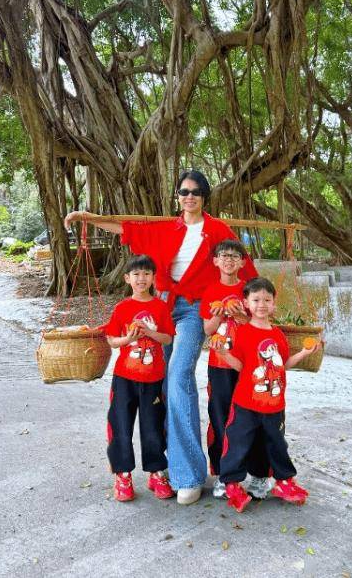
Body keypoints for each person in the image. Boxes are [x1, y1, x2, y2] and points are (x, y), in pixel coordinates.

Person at [65, 169, 257, 505]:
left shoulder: (218, 230)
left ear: (204, 196)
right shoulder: (168, 228)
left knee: (179, 375)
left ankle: (189, 475)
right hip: (163, 307)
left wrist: (257, 312)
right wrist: (89, 218)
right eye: (184, 192)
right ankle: (162, 467)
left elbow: (246, 272)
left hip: (195, 310)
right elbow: (127, 229)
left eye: (195, 192)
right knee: (160, 385)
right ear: (177, 196)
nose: (189, 197)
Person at [213, 277, 320, 513]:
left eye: (267, 300)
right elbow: (240, 366)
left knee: (277, 444)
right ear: (246, 303)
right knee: (238, 443)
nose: (261, 304)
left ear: (273, 304)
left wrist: (304, 352)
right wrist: (224, 354)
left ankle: (284, 481)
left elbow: (284, 364)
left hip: (274, 405)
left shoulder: (278, 335)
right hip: (246, 404)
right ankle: (231, 483)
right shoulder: (243, 332)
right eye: (256, 300)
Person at [199, 239, 270, 500]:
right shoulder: (210, 290)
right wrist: (220, 313)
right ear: (216, 261)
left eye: (234, 256)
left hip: (250, 363)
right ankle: (223, 474)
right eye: (224, 256)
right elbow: (208, 330)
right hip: (220, 364)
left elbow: (262, 323)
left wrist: (241, 316)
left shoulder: (250, 289)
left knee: (256, 416)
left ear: (242, 262)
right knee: (221, 417)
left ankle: (259, 475)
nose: (229, 260)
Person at [104, 254, 175, 502]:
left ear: (154, 278)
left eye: (146, 274)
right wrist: (129, 339)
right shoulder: (122, 308)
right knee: (121, 425)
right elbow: (112, 340)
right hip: (124, 378)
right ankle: (123, 474)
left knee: (153, 427)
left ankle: (156, 472)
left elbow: (168, 338)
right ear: (127, 278)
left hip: (153, 379)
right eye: (136, 274)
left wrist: (151, 333)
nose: (141, 278)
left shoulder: (160, 307)